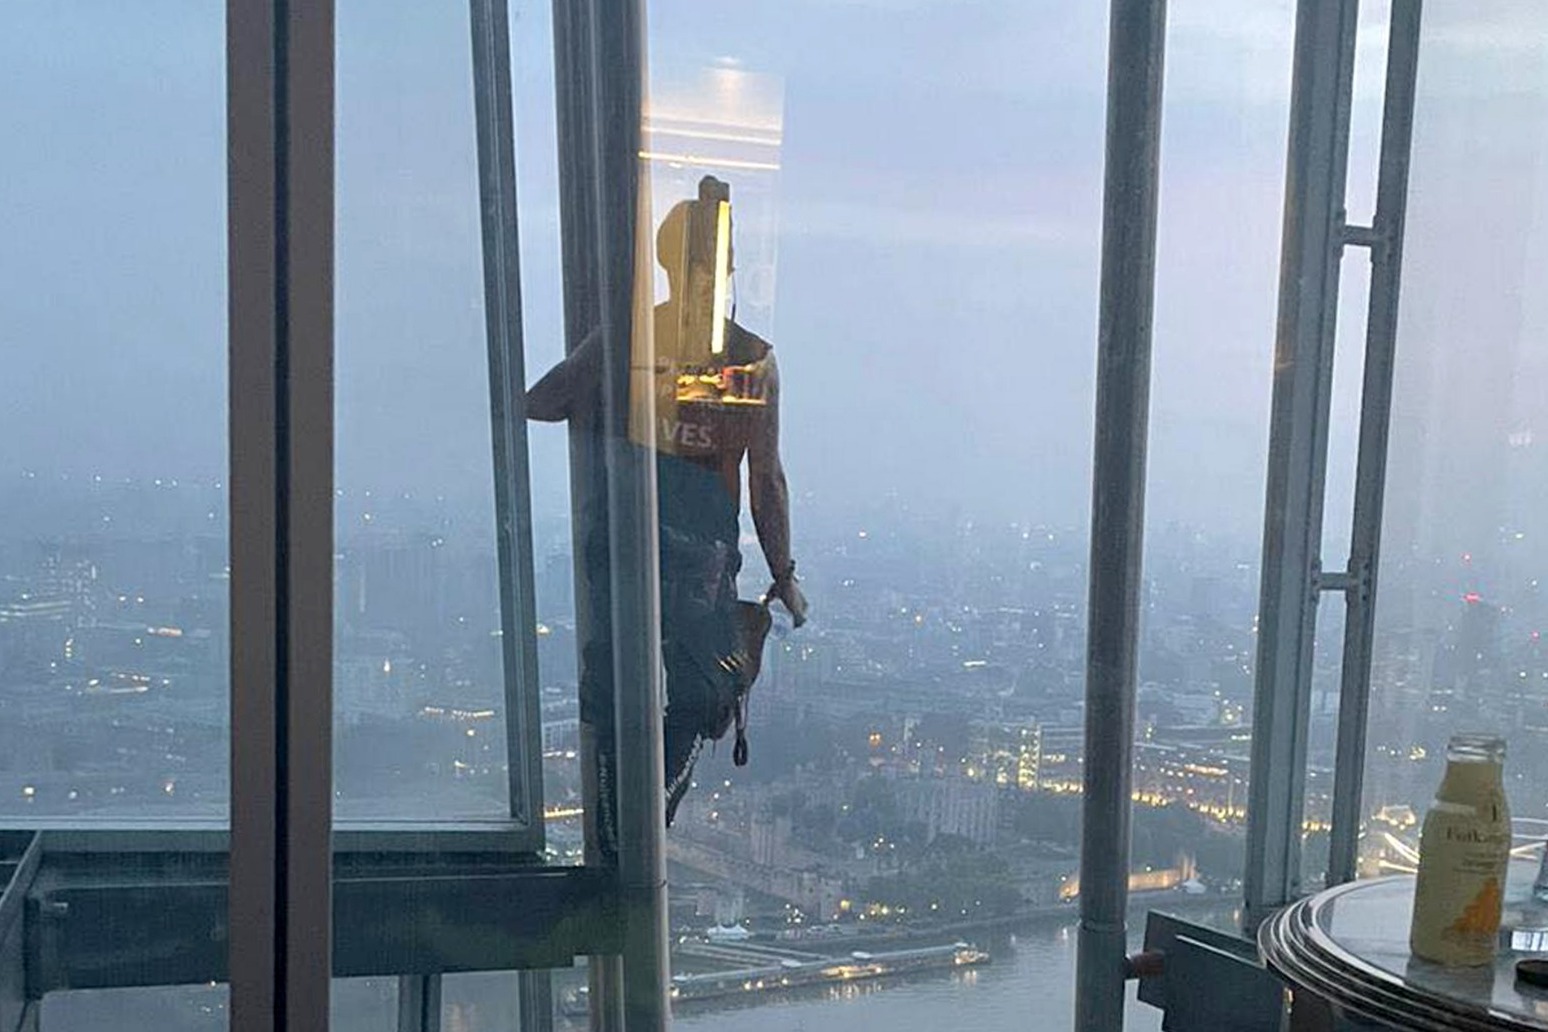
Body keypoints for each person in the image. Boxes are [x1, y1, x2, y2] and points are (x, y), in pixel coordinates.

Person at [527, 177, 807, 858]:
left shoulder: (633, 340)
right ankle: (639, 826)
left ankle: (618, 827)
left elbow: (544, 400)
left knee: (618, 683)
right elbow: (765, 480)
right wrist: (784, 574)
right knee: (694, 693)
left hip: (629, 543)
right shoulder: (748, 359)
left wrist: (617, 384)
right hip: (692, 559)